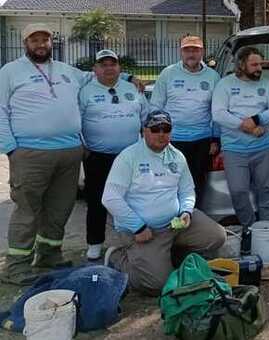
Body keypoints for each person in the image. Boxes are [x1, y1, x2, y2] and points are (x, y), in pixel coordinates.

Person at [0, 24, 104, 284]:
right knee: (28, 210)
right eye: (35, 40)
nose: (41, 44)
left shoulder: (67, 71)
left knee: (60, 208)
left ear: (51, 43)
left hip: (69, 152)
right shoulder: (10, 72)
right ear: (26, 43)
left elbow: (96, 77)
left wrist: (126, 79)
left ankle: (49, 255)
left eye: (45, 39)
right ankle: (16, 266)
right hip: (30, 152)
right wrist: (10, 148)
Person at [102, 110, 226, 296]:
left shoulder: (177, 156)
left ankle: (166, 255)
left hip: (175, 224)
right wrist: (137, 227)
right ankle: (120, 258)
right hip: (144, 231)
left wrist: (186, 212)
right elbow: (110, 198)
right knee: (158, 285)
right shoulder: (128, 157)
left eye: (166, 129)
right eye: (155, 129)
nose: (161, 134)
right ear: (144, 131)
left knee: (217, 236)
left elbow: (187, 190)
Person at [211, 47, 269, 254]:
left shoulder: (266, 84)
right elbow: (218, 113)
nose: (259, 68)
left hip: (263, 148)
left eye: (260, 64)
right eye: (254, 64)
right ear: (241, 64)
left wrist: (257, 120)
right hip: (234, 149)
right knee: (239, 191)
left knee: (267, 191)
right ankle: (250, 229)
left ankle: (267, 232)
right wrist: (244, 125)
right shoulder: (225, 85)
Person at [79, 49, 149, 261]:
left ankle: (132, 237)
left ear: (120, 67)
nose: (109, 68)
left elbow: (146, 118)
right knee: (97, 200)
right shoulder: (85, 91)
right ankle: (95, 243)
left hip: (130, 156)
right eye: (103, 64)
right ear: (95, 69)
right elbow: (76, 122)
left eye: (113, 64)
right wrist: (84, 148)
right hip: (97, 156)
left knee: (133, 198)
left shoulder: (133, 88)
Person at [150, 35, 221, 209]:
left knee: (197, 183)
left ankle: (192, 219)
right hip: (172, 139)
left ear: (202, 52)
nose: (191, 54)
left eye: (195, 50)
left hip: (202, 140)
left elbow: (217, 111)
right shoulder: (168, 73)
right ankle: (170, 219)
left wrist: (215, 139)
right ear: (181, 52)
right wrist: (157, 135)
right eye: (187, 50)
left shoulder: (213, 76)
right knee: (170, 182)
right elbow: (156, 106)